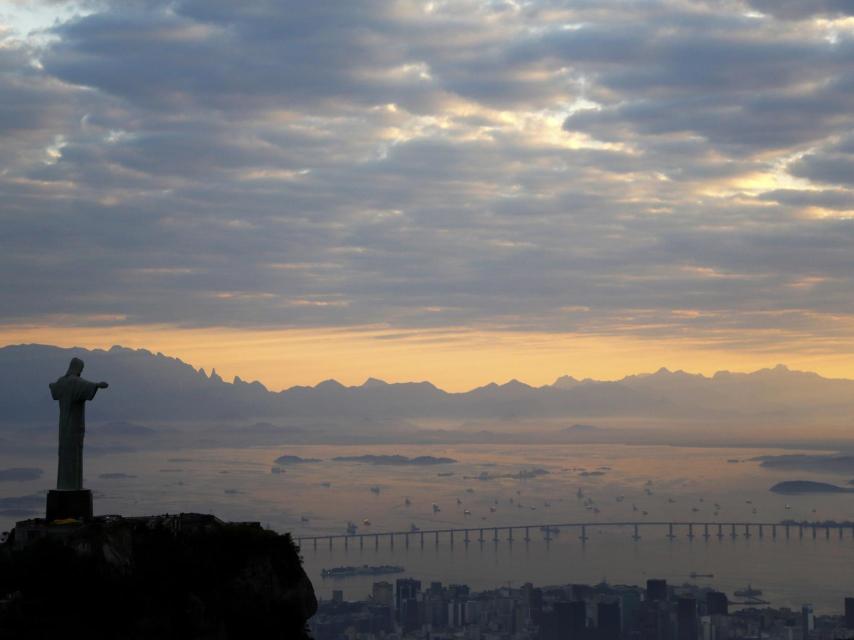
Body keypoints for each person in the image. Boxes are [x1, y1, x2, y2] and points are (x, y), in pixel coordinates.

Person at [49, 358, 108, 491]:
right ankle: (73, 486)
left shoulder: (62, 381)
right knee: (74, 455)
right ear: (78, 368)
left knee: (64, 455)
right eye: (81, 369)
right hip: (74, 426)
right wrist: (98, 385)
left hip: (63, 426)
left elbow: (54, 388)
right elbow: (86, 385)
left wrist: (52, 384)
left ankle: (63, 485)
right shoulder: (74, 382)